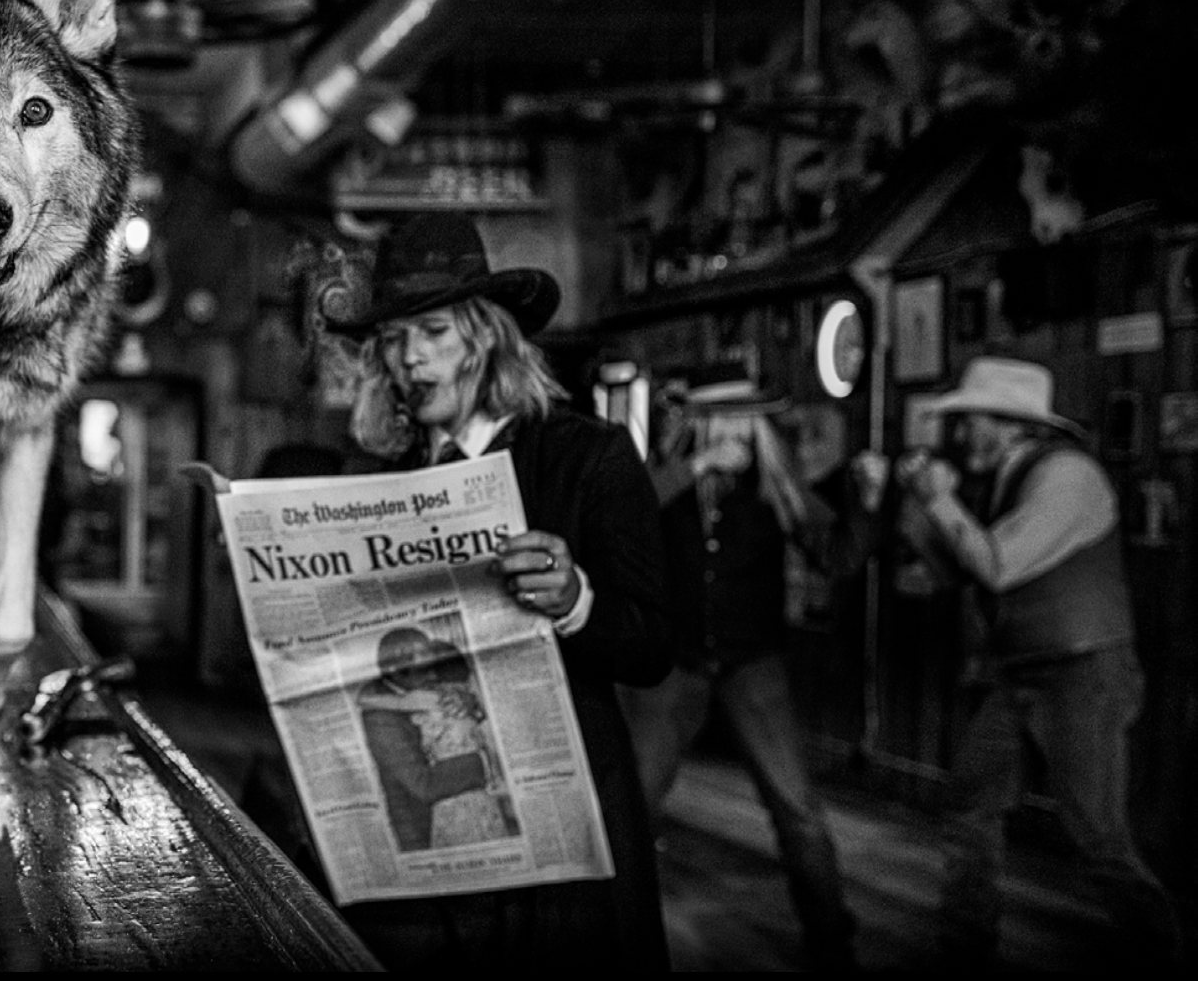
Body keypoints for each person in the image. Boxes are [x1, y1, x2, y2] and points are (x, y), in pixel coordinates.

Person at [323, 211, 672, 970]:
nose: (409, 358)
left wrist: (575, 597)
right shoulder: (386, 484)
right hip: (440, 834)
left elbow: (653, 646)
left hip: (565, 836)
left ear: (486, 336)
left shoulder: (590, 458)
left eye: (433, 332)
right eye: (392, 339)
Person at [857, 356, 1183, 967]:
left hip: (1081, 676)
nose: (956, 436)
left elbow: (997, 566)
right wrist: (910, 505)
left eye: (967, 421)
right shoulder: (1007, 474)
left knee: (1098, 841)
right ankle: (965, 950)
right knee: (971, 806)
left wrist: (941, 501)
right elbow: (958, 573)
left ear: (1007, 424)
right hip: (1021, 673)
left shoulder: (1070, 478)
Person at [621, 360, 862, 971]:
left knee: (796, 807)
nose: (733, 430)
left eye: (742, 418)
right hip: (674, 661)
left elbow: (836, 555)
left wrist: (869, 501)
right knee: (631, 805)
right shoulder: (666, 479)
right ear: (698, 424)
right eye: (719, 418)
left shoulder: (778, 484)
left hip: (754, 661)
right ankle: (614, 936)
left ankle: (832, 941)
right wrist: (696, 468)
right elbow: (623, 518)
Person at [358, 628, 516, 851]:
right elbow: (425, 786)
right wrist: (485, 764)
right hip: (427, 830)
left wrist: (464, 701)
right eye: (424, 668)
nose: (432, 674)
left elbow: (465, 694)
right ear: (395, 669)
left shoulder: (418, 684)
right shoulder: (380, 719)